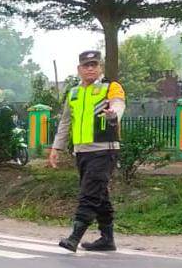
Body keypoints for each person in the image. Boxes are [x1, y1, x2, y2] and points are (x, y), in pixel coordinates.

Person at [48, 50, 126, 252]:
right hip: (82, 152)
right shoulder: (73, 93)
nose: (90, 68)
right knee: (100, 194)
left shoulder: (110, 87)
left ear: (99, 67)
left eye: (94, 64)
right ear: (79, 69)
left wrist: (113, 115)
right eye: (86, 65)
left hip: (104, 150)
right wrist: (57, 147)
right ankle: (107, 239)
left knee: (89, 193)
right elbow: (66, 122)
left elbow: (118, 105)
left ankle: (74, 237)